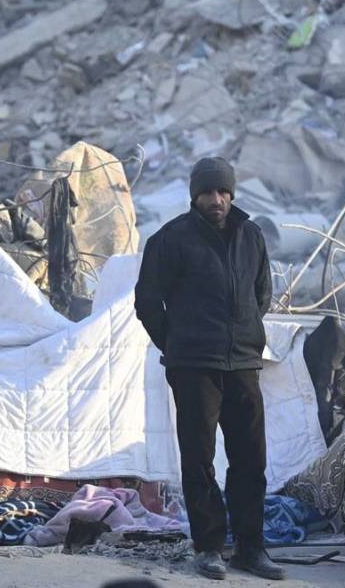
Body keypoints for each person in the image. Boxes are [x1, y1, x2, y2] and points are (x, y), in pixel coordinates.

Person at [134, 157, 283, 581]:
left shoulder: (251, 235)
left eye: (222, 192)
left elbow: (262, 294)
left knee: (250, 459)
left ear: (231, 194)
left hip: (242, 365)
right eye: (207, 192)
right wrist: (178, 344)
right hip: (194, 367)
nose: (216, 200)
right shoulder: (171, 239)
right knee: (199, 460)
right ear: (194, 196)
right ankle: (210, 548)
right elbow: (147, 301)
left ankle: (251, 549)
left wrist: (246, 335)